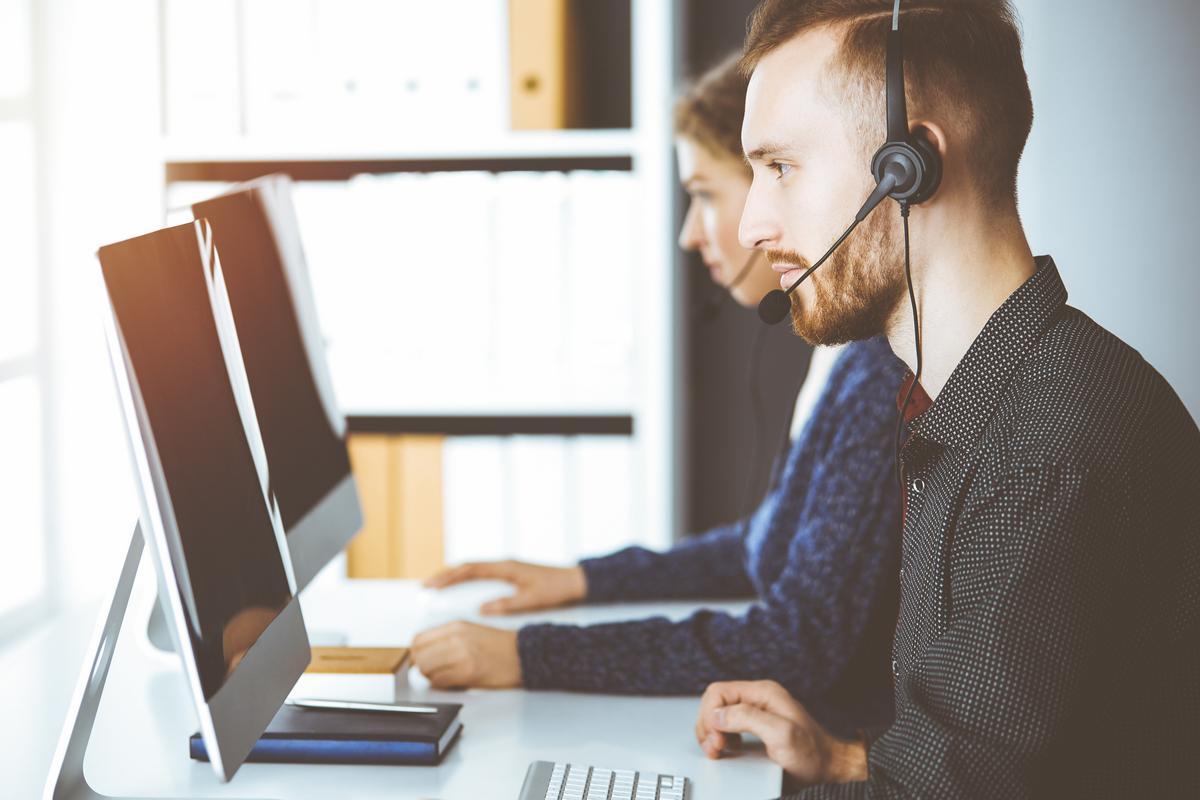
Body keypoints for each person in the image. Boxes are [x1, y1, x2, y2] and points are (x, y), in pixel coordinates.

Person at [692, 1, 1200, 797]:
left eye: (781, 167)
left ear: (910, 166)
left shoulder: (1044, 454)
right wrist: (845, 758)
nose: (753, 224)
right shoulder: (986, 397)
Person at [409, 55, 908, 738]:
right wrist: (582, 580)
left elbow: (798, 640)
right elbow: (762, 545)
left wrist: (529, 655)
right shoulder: (845, 355)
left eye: (706, 194)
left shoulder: (880, 375)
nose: (690, 233)